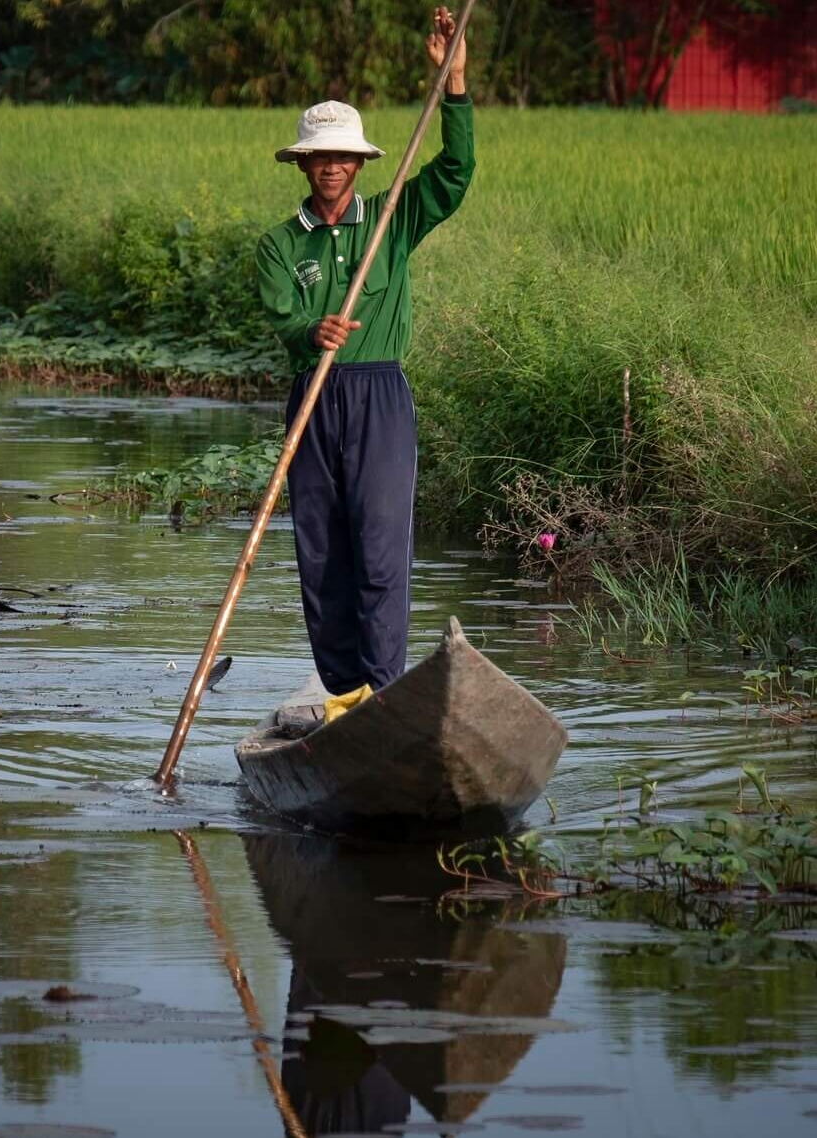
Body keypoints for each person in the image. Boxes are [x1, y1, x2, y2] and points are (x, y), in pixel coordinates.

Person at [254, 6, 473, 698]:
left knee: (381, 549)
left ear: (359, 162)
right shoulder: (279, 245)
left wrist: (456, 85)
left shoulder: (392, 217)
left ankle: (383, 693)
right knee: (322, 555)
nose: (334, 168)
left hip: (380, 396)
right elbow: (284, 318)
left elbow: (457, 172)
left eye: (345, 157)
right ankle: (344, 693)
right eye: (322, 157)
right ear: (305, 162)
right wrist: (308, 332)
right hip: (313, 400)